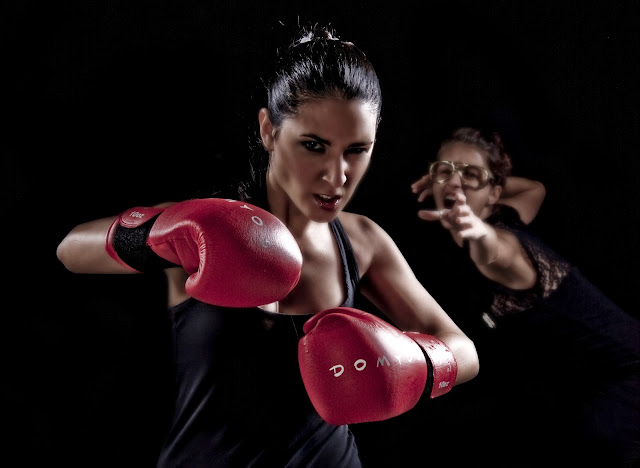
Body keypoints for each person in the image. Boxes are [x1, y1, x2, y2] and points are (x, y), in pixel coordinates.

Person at [56, 26, 479, 467]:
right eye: (314, 146)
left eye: (356, 150)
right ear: (269, 131)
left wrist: (415, 363)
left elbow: (464, 350)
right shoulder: (205, 226)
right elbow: (69, 249)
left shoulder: (362, 241)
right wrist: (158, 233)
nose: (336, 177)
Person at [410, 126, 640, 467]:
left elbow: (492, 250)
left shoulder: (498, 245)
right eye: (444, 171)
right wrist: (473, 178)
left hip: (630, 376)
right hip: (597, 379)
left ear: (494, 194)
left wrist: (476, 227)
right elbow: (536, 187)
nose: (455, 184)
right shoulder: (511, 211)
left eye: (471, 175)